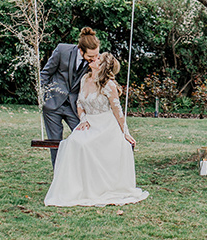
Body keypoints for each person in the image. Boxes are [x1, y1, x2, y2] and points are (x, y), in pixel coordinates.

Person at [44, 51, 148, 207]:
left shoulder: (109, 85)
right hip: (89, 123)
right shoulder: (85, 78)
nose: (94, 58)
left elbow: (117, 111)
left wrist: (125, 133)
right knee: (72, 142)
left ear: (103, 66)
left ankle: (94, 188)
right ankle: (74, 188)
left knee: (85, 145)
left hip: (106, 126)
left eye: (98, 58)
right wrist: (83, 119)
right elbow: (79, 103)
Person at [40, 27, 100, 167]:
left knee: (85, 139)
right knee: (55, 144)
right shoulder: (62, 51)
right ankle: (59, 179)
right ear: (81, 50)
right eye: (91, 56)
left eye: (96, 55)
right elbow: (45, 74)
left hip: (75, 107)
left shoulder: (95, 60)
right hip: (53, 105)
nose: (95, 58)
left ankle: (80, 173)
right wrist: (43, 96)